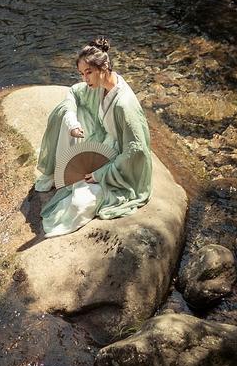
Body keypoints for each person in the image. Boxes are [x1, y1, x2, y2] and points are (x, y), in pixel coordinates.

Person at [34, 37, 152, 238]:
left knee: (79, 203)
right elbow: (73, 92)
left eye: (89, 72)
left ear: (103, 68)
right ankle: (68, 173)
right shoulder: (102, 87)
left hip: (122, 164)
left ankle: (90, 183)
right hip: (104, 144)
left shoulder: (124, 104)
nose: (85, 79)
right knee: (65, 111)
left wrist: (102, 173)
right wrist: (72, 121)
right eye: (82, 74)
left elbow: (136, 149)